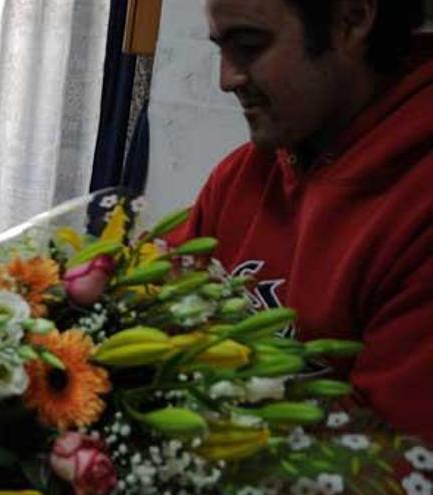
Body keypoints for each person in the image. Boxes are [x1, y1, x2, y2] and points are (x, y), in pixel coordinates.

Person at [174, 0, 432, 441]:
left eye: (250, 46)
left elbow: (386, 464)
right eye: (221, 48)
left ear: (351, 19)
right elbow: (155, 323)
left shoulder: (417, 209)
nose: (226, 79)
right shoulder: (243, 178)